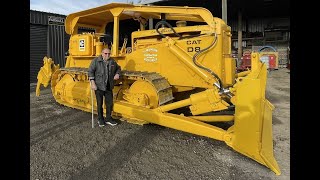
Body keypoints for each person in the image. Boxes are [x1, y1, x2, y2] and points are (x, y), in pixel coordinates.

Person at [88, 48, 121, 127]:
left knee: (109, 103)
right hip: (99, 86)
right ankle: (100, 119)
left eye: (109, 54)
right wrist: (93, 83)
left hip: (109, 86)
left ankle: (108, 118)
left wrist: (118, 74)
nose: (107, 55)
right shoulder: (96, 61)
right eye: (105, 53)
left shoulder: (112, 62)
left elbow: (118, 68)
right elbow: (90, 71)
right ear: (102, 53)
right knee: (100, 104)